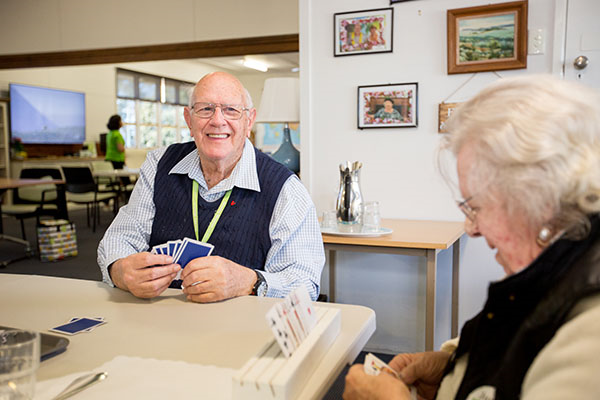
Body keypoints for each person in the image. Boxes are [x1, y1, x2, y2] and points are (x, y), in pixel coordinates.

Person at [343, 75, 600, 399]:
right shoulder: (559, 268)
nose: (471, 228)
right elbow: (518, 337)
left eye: (476, 207)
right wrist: (454, 363)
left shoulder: (591, 332)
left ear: (537, 201)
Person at [97, 72, 325, 303]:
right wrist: (121, 271)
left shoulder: (285, 189)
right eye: (205, 109)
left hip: (242, 330)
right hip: (159, 322)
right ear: (189, 119)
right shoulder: (159, 166)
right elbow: (121, 237)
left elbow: (305, 284)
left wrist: (249, 281)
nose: (217, 120)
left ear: (249, 121)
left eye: (231, 110)